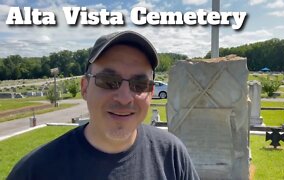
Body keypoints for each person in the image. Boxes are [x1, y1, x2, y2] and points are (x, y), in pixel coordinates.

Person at [7, 30, 200, 180]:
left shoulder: (172, 155)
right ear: (84, 88)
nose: (125, 98)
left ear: (150, 93)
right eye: (108, 80)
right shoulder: (35, 171)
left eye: (139, 85)